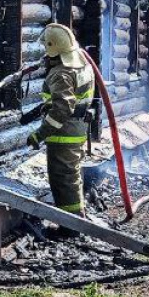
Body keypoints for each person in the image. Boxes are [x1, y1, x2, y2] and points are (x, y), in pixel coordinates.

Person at [25, 23, 95, 224]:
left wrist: (40, 134)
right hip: (78, 129)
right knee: (71, 175)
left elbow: (62, 109)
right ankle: (77, 216)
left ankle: (71, 224)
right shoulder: (82, 64)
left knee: (63, 179)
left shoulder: (61, 74)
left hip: (64, 133)